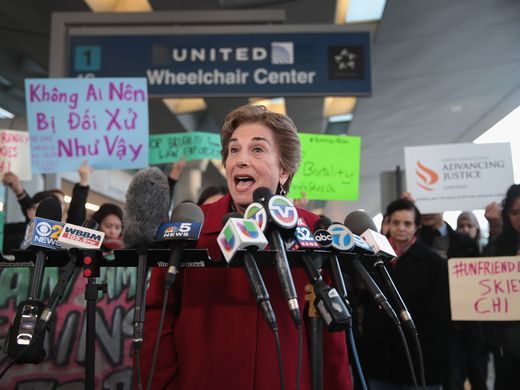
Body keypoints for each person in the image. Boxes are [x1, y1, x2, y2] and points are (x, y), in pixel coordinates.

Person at [141, 105, 352, 389]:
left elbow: (332, 337)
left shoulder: (314, 234)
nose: (240, 160)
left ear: (284, 171)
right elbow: (157, 317)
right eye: (233, 150)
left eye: (257, 150)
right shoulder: (191, 230)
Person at [360, 198, 450, 390]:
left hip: (420, 362)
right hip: (380, 362)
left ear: (417, 226)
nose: (401, 228)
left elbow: (441, 316)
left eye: (407, 223)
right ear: (388, 224)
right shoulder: (371, 258)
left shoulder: (434, 263)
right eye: (396, 222)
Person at [483, 184, 520, 390]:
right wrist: (494, 231)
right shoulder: (499, 244)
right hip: (507, 343)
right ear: (507, 214)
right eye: (515, 212)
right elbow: (483, 275)